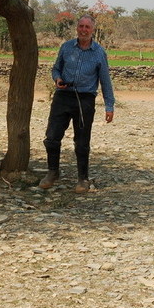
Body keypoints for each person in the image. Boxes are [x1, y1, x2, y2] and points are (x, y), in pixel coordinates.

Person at [40, 14, 115, 193]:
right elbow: (56, 68)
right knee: (51, 137)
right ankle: (52, 172)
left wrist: (109, 105)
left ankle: (83, 179)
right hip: (63, 95)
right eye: (81, 26)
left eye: (87, 27)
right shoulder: (66, 47)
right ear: (77, 28)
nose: (83, 30)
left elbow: (105, 80)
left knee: (82, 142)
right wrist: (57, 79)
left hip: (85, 99)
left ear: (93, 30)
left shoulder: (99, 53)